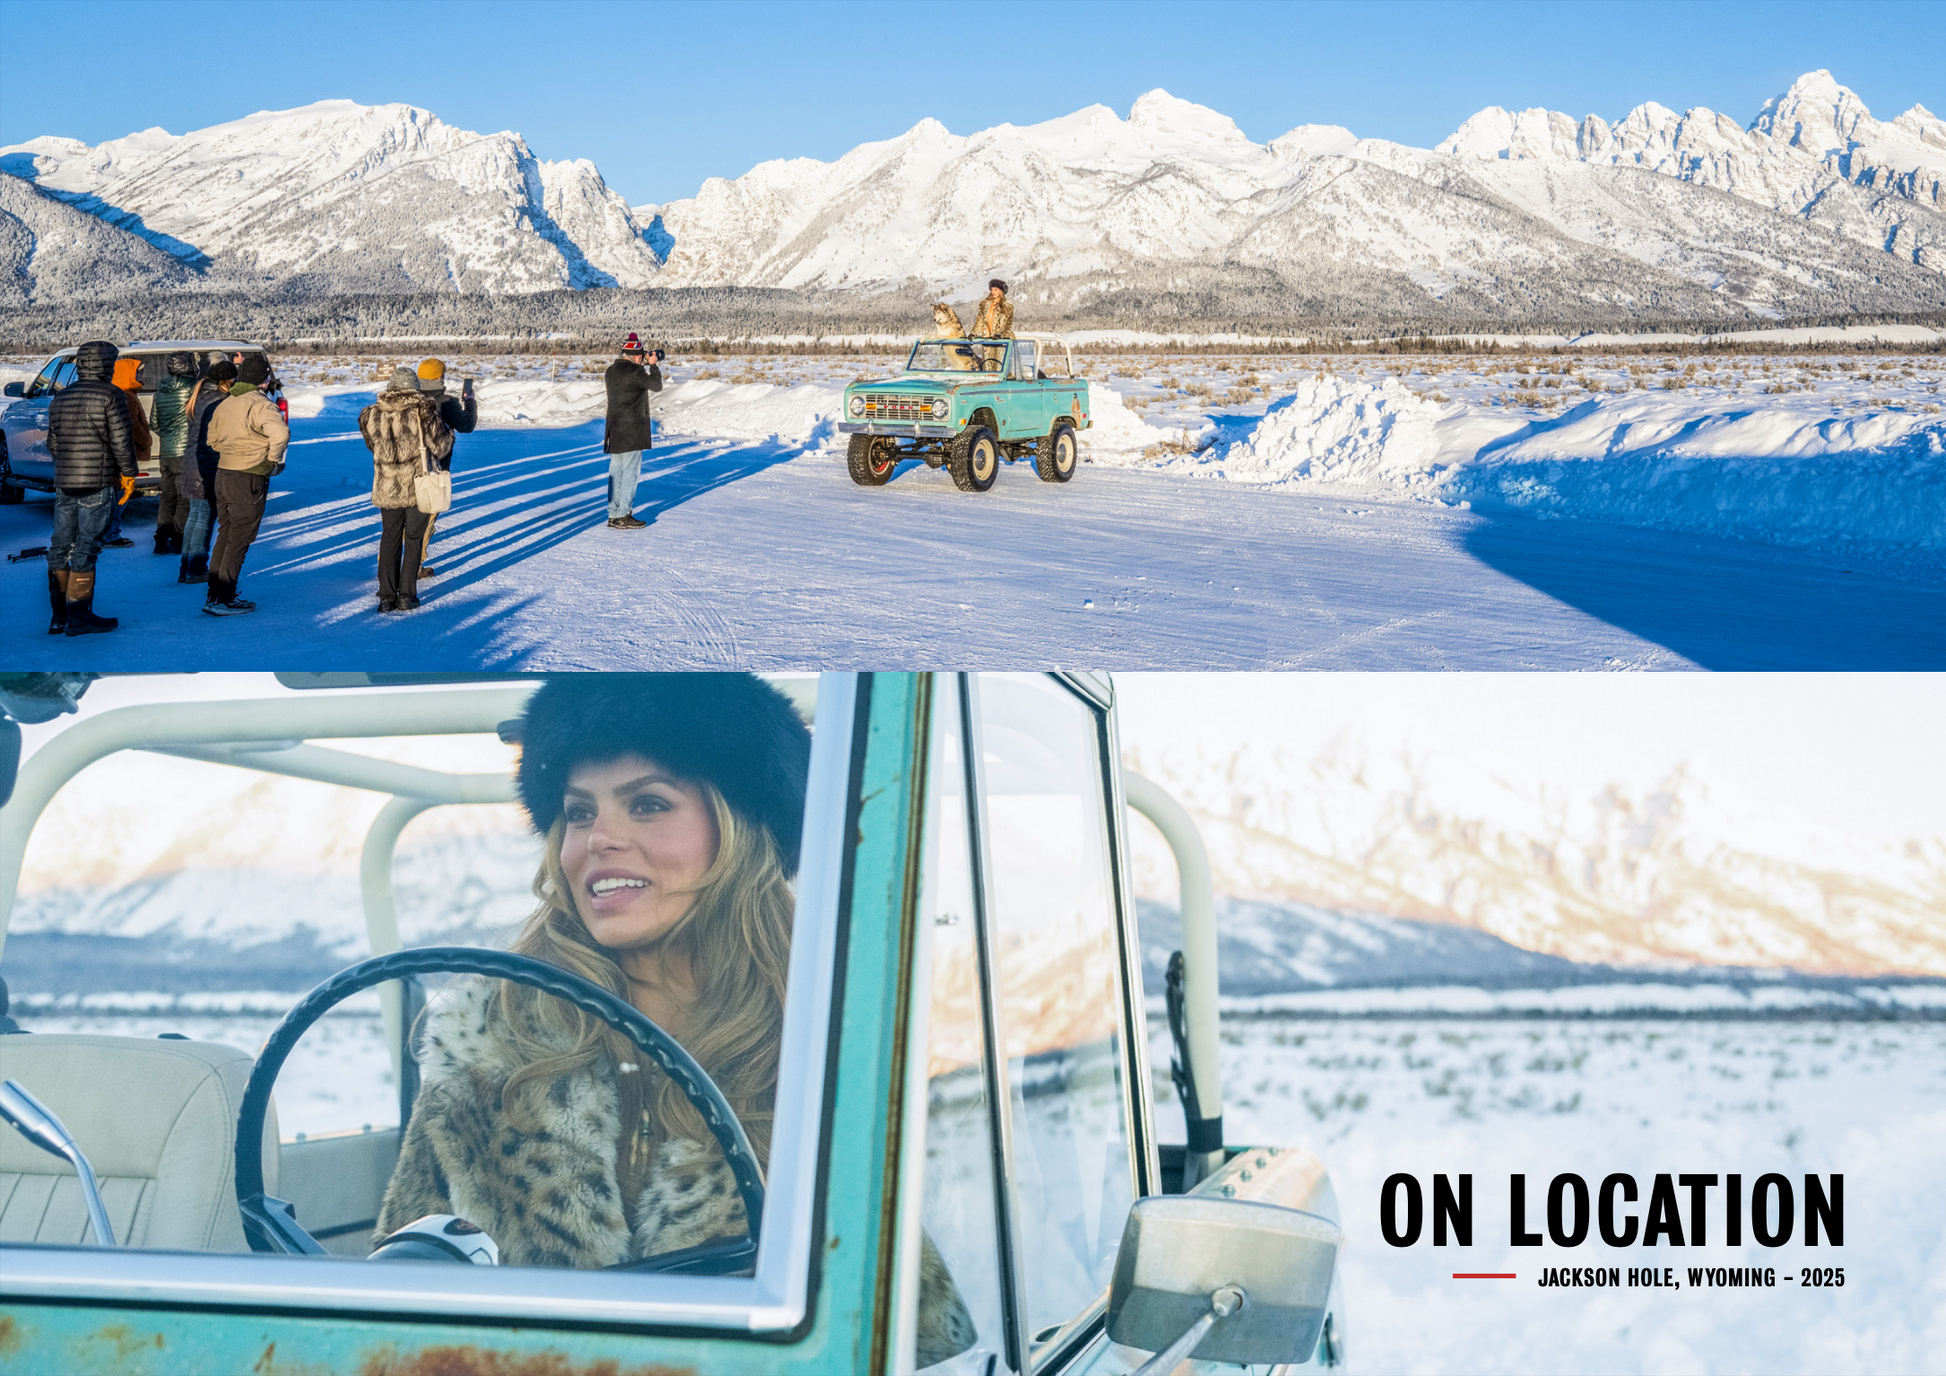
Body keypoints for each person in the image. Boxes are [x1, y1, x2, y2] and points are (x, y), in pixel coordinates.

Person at [44, 341, 136, 635]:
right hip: (97, 479)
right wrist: (129, 474)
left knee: (60, 545)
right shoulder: (111, 395)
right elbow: (122, 441)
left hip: (65, 480)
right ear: (107, 365)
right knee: (87, 545)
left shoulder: (61, 397)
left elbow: (53, 443)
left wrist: (69, 463)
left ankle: (59, 617)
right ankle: (79, 617)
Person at [357, 366, 453, 612]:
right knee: (413, 539)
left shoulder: (371, 414)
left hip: (386, 485)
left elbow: (373, 446)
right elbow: (441, 446)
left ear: (391, 386)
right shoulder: (424, 410)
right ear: (415, 387)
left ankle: (386, 596)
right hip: (416, 485)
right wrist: (448, 433)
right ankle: (407, 595)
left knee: (389, 538)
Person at [203, 353, 289, 616]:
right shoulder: (260, 405)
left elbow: (213, 441)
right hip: (249, 474)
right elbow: (281, 433)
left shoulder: (226, 403)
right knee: (240, 536)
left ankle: (214, 594)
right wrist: (272, 461)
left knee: (226, 533)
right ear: (263, 379)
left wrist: (232, 449)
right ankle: (225, 598)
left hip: (224, 472)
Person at [413, 357, 476, 578]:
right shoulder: (446, 402)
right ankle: (415, 565)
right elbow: (467, 425)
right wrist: (469, 401)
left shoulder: (410, 399)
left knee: (403, 519)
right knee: (427, 517)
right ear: (440, 377)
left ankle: (389, 564)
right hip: (435, 469)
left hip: (408, 467)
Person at [176, 357, 235, 585]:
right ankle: (196, 567)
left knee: (195, 516)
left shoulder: (198, 396)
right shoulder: (221, 401)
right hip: (207, 464)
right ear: (226, 381)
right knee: (205, 518)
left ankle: (186, 566)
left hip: (191, 462)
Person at [602, 333, 662, 531]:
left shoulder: (611, 371)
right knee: (629, 473)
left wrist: (642, 363)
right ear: (636, 355)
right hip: (632, 430)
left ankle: (613, 513)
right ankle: (623, 514)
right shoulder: (636, 373)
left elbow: (630, 378)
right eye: (640, 355)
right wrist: (653, 365)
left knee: (615, 472)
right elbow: (656, 385)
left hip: (614, 429)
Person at [149, 352, 196, 556]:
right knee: (184, 498)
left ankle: (160, 540)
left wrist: (168, 437)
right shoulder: (193, 387)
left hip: (166, 452)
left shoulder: (160, 390)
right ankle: (178, 539)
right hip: (185, 450)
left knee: (167, 497)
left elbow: (154, 423)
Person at [104, 357, 152, 548]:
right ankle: (111, 534)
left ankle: (109, 533)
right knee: (120, 495)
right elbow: (131, 425)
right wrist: (146, 440)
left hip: (121, 453)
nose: (140, 375)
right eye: (137, 372)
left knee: (117, 493)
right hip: (124, 453)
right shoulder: (125, 395)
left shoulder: (123, 393)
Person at [972, 278, 1014, 372]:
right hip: (987, 340)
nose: (993, 292)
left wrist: (1000, 335)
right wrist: (973, 333)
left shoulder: (1008, 307)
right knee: (987, 368)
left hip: (1001, 341)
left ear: (1001, 291)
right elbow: (980, 322)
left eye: (996, 290)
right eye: (992, 289)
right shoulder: (985, 305)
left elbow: (1007, 325)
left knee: (1000, 368)